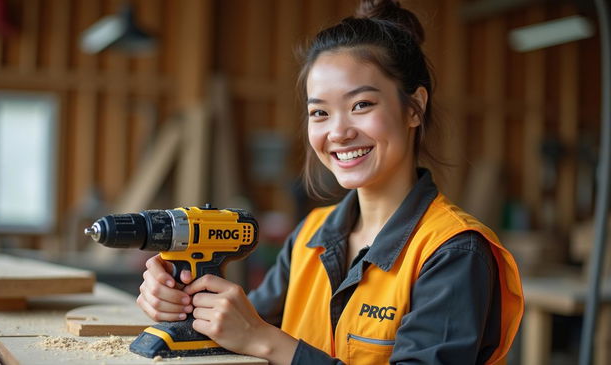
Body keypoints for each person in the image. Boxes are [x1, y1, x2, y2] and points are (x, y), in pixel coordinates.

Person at [136, 0, 524, 364]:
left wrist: (266, 340)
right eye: (319, 112)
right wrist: (185, 303)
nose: (337, 132)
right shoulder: (311, 234)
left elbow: (259, 336)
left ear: (414, 108)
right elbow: (243, 328)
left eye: (361, 105)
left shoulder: (454, 252)